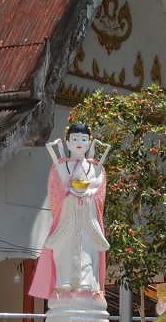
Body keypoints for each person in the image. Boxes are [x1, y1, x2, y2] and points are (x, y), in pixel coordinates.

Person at [29, 123, 112, 299]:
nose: (79, 142)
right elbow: (55, 189)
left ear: (90, 143)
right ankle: (64, 281)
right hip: (68, 213)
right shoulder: (61, 166)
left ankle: (88, 282)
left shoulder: (95, 168)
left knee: (88, 249)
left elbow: (99, 191)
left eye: (83, 139)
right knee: (64, 247)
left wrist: (88, 193)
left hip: (87, 216)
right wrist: (68, 192)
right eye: (74, 139)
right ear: (67, 143)